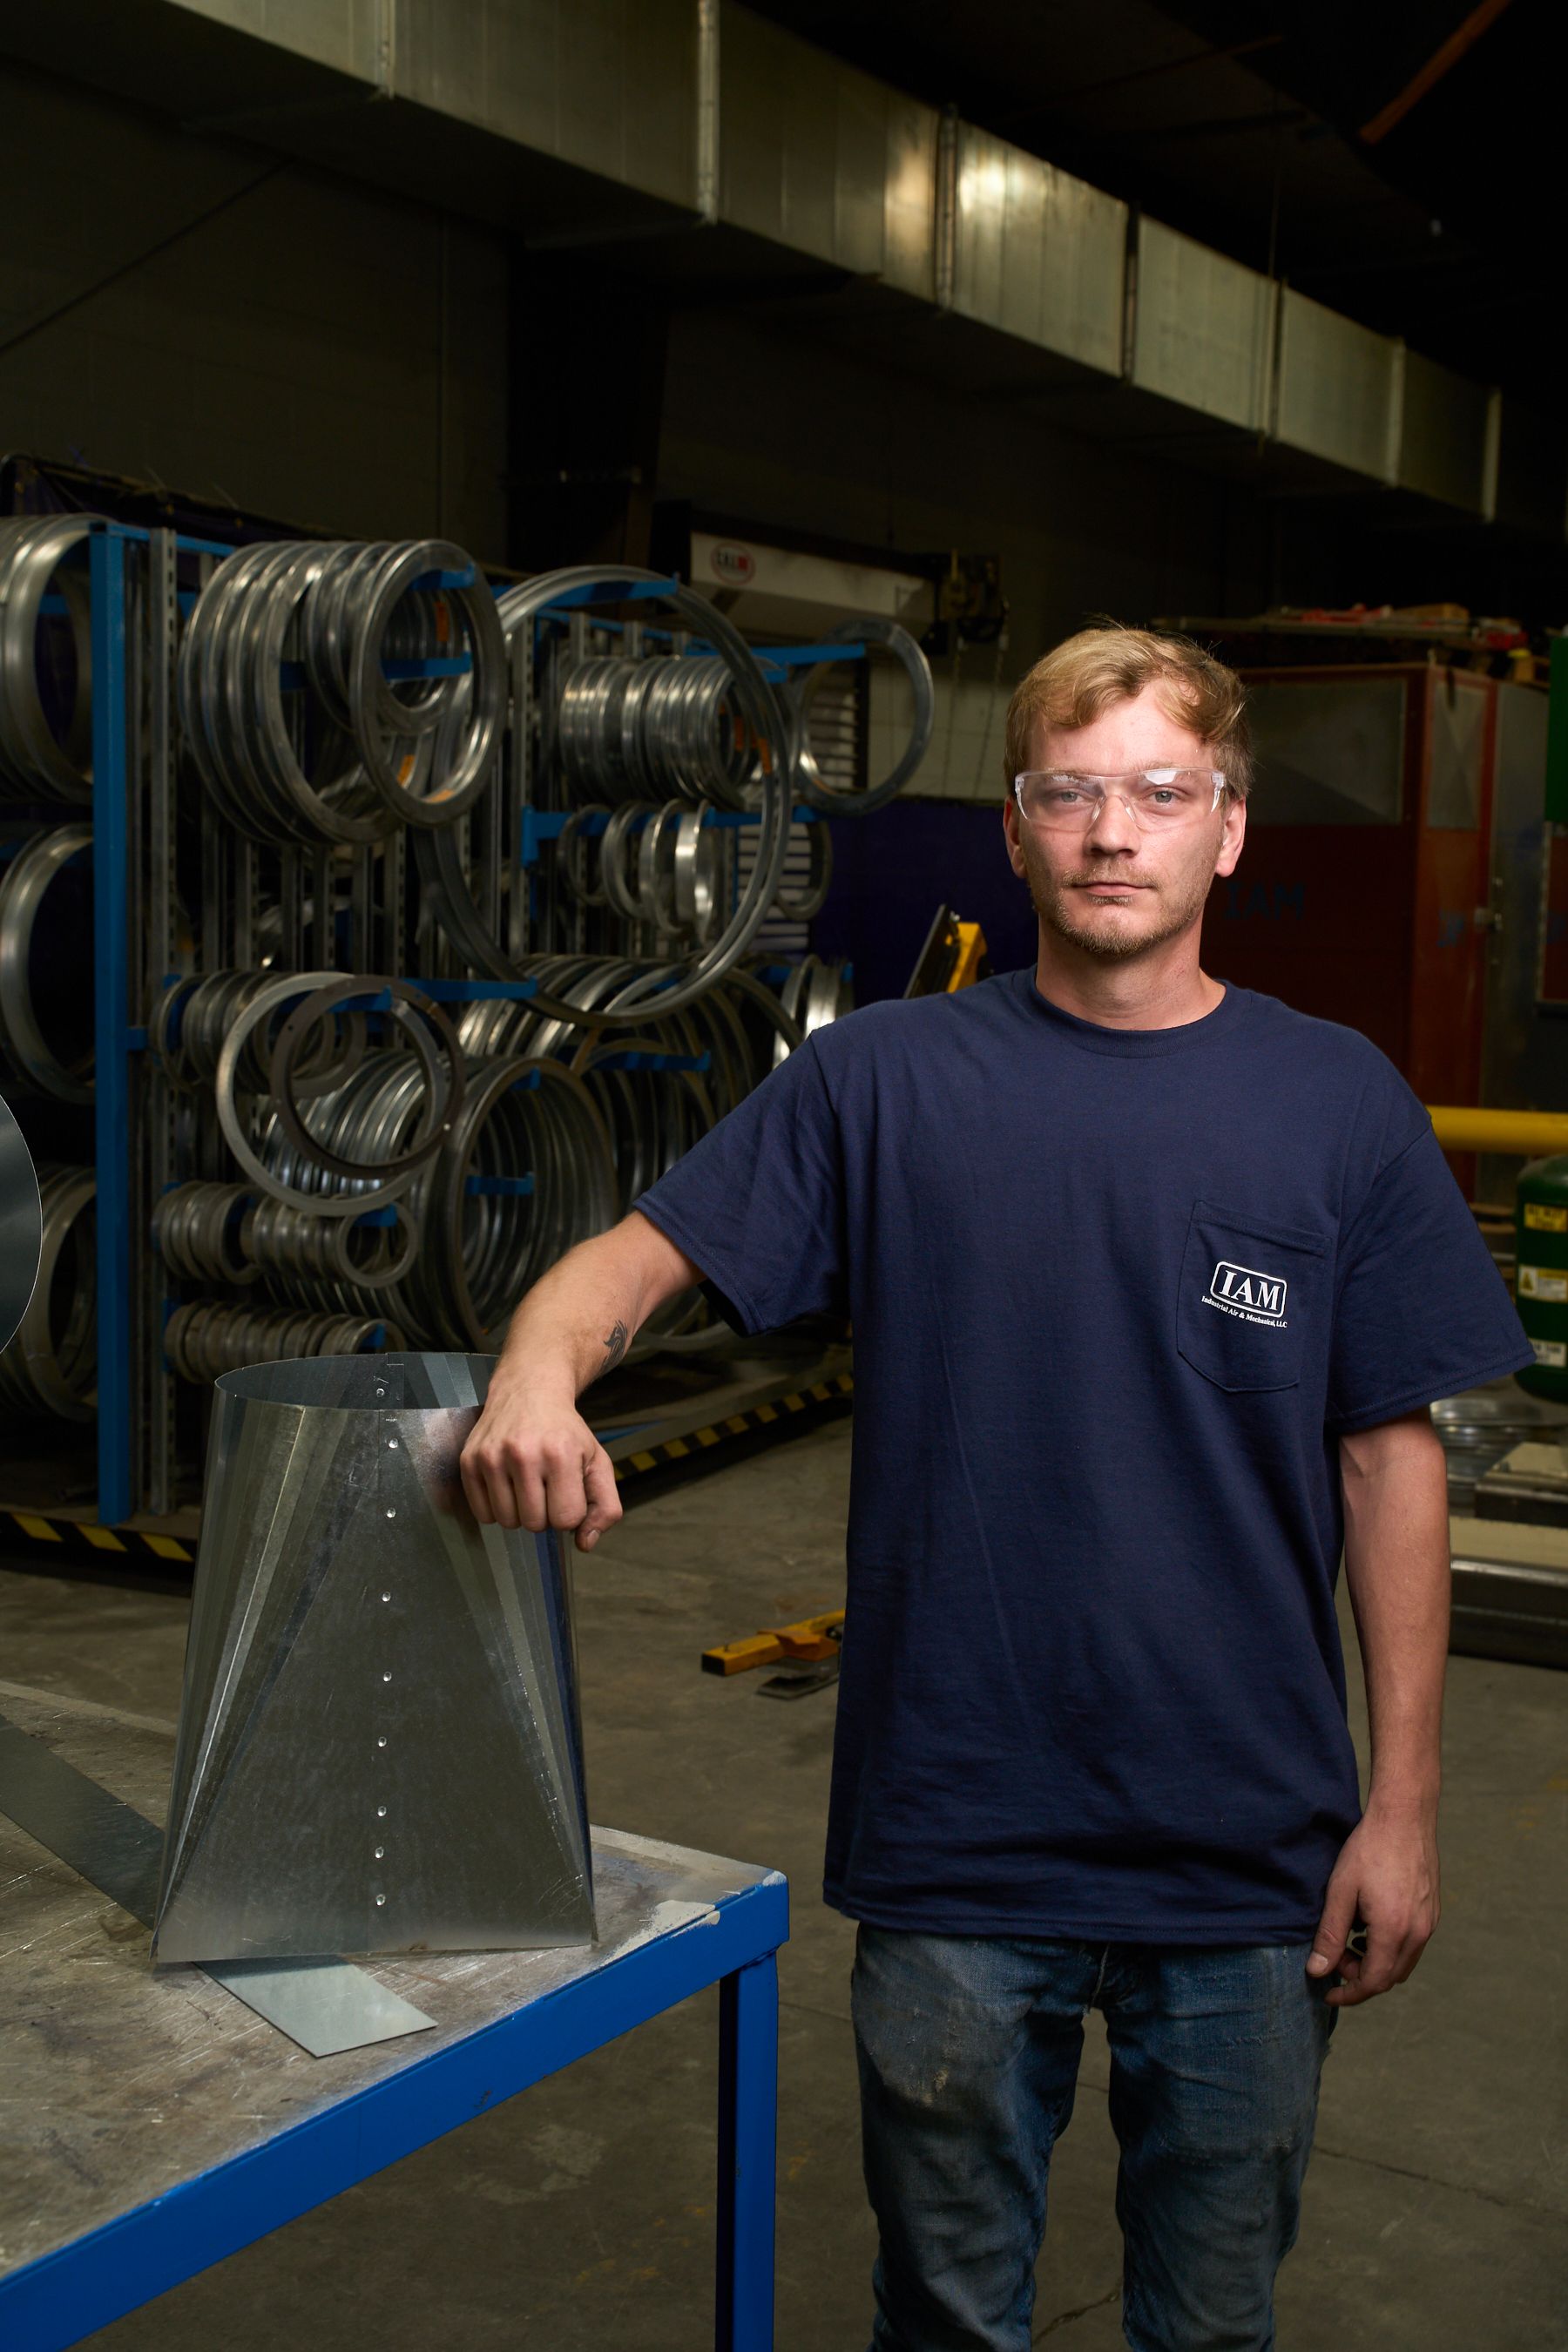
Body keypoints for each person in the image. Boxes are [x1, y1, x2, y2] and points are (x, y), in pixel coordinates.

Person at [459, 625, 1531, 2352]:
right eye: (1073, 793)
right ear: (1018, 830)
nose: (1118, 832)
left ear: (1228, 831)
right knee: (948, 2320)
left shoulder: (1334, 1103)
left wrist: (1399, 1813)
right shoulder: (884, 1083)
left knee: (1214, 2321)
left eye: (1162, 794)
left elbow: (1388, 1466)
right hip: (957, 1839)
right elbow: (621, 1273)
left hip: (1251, 1856)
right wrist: (535, 1371)